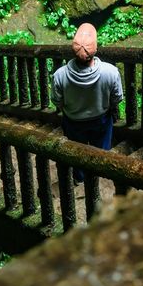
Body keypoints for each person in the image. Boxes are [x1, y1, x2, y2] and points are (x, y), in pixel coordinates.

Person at [51, 23, 123, 181]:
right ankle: (99, 175)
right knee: (101, 151)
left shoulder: (59, 75)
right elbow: (117, 98)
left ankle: (80, 177)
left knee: (77, 151)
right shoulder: (110, 72)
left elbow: (57, 101)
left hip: (73, 121)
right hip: (101, 119)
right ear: (95, 49)